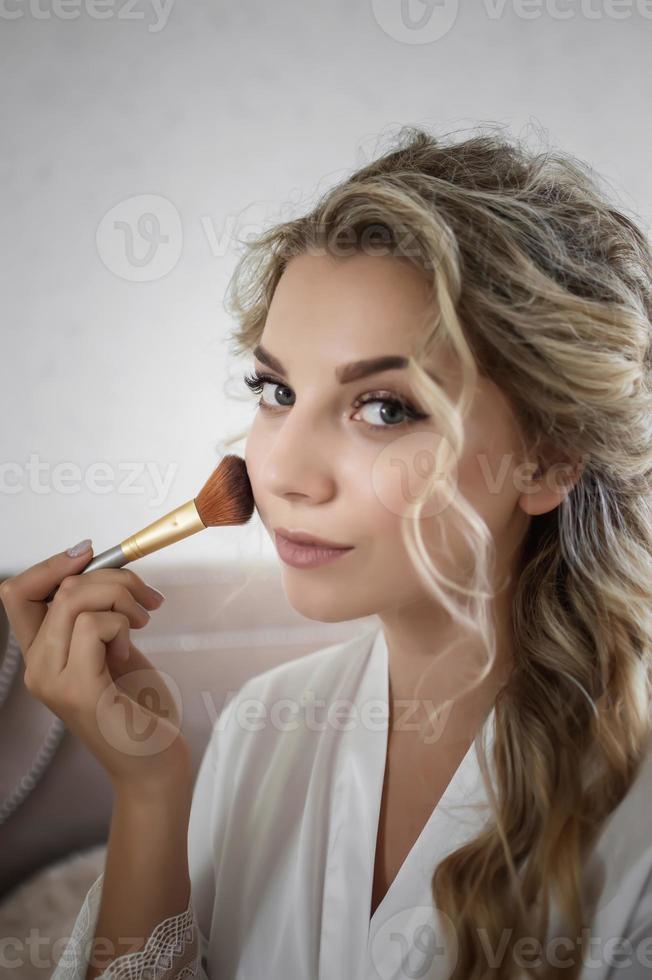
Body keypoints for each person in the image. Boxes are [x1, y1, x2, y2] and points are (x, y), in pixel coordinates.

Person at [2, 123, 652, 980]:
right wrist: (151, 794)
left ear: (550, 456)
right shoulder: (261, 734)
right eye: (276, 391)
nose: (279, 471)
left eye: (385, 408)